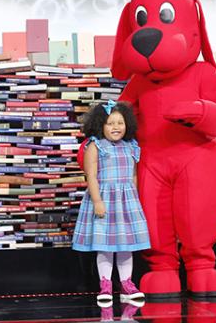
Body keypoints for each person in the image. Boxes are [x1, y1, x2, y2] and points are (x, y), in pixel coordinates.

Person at [72, 100, 150, 306]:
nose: (116, 127)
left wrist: (135, 199)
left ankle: (126, 284)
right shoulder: (95, 146)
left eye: (120, 123)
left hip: (126, 202)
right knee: (105, 246)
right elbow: (92, 176)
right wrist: (97, 200)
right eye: (110, 123)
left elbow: (133, 175)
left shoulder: (131, 146)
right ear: (100, 125)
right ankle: (105, 284)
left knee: (126, 247)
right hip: (105, 200)